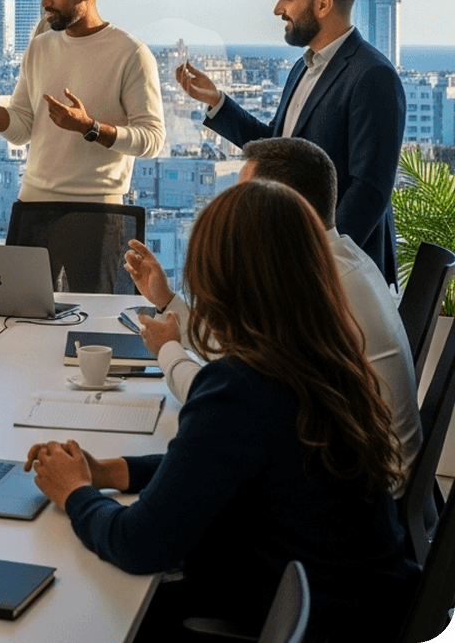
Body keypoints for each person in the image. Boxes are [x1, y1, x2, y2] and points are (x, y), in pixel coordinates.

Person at [26, 181, 418, 642]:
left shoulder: (243, 386)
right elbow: (224, 461)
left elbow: (139, 544)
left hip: (300, 619)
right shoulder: (326, 360)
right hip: (359, 610)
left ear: (218, 280)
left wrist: (74, 493)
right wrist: (114, 471)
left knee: (81, 613)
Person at [125, 136, 422, 490]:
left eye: (245, 201)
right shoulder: (342, 258)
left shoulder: (318, 287)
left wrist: (168, 351)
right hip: (361, 476)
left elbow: (228, 407)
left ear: (283, 206)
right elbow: (242, 358)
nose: (235, 213)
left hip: (357, 496)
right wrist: (167, 302)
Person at [176, 0, 405, 283]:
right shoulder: (302, 67)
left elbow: (369, 190)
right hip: (300, 262)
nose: (277, 9)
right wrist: (218, 102)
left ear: (322, 4)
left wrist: (320, 262)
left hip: (343, 274)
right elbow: (278, 148)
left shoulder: (373, 75)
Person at [0, 0, 164, 288]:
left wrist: (90, 127)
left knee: (96, 325)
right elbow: (20, 130)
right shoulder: (39, 48)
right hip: (34, 206)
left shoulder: (130, 53)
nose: (45, 2)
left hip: (97, 213)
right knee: (18, 314)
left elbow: (152, 139)